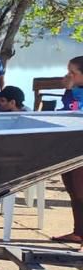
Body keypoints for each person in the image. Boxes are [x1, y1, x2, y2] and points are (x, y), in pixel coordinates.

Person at [54, 56, 83, 246]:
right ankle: (78, 232)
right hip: (70, 144)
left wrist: (72, 89)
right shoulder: (73, 91)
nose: (68, 76)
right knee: (73, 189)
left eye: (73, 73)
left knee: (81, 190)